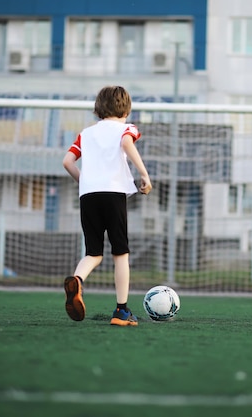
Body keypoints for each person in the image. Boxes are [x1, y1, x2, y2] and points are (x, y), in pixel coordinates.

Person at [62, 85, 152, 326]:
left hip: (88, 195)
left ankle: (78, 281)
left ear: (98, 109)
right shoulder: (127, 128)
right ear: (126, 110)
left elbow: (67, 161)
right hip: (113, 194)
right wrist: (144, 174)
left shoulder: (86, 133)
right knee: (120, 253)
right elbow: (126, 143)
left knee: (93, 252)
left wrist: (86, 182)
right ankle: (121, 311)